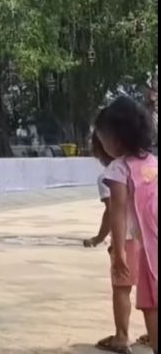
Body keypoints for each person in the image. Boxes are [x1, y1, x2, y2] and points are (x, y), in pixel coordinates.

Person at [95, 96, 159, 354]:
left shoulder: (117, 169)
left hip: (141, 247)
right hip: (153, 241)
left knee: (150, 303)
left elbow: (118, 211)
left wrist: (118, 249)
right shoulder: (153, 163)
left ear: (116, 139)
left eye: (103, 138)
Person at [85, 133, 149, 353]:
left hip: (128, 239)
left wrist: (105, 240)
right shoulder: (149, 164)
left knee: (122, 288)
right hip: (149, 237)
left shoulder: (111, 173)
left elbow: (112, 211)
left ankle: (121, 336)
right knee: (151, 287)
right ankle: (153, 331)